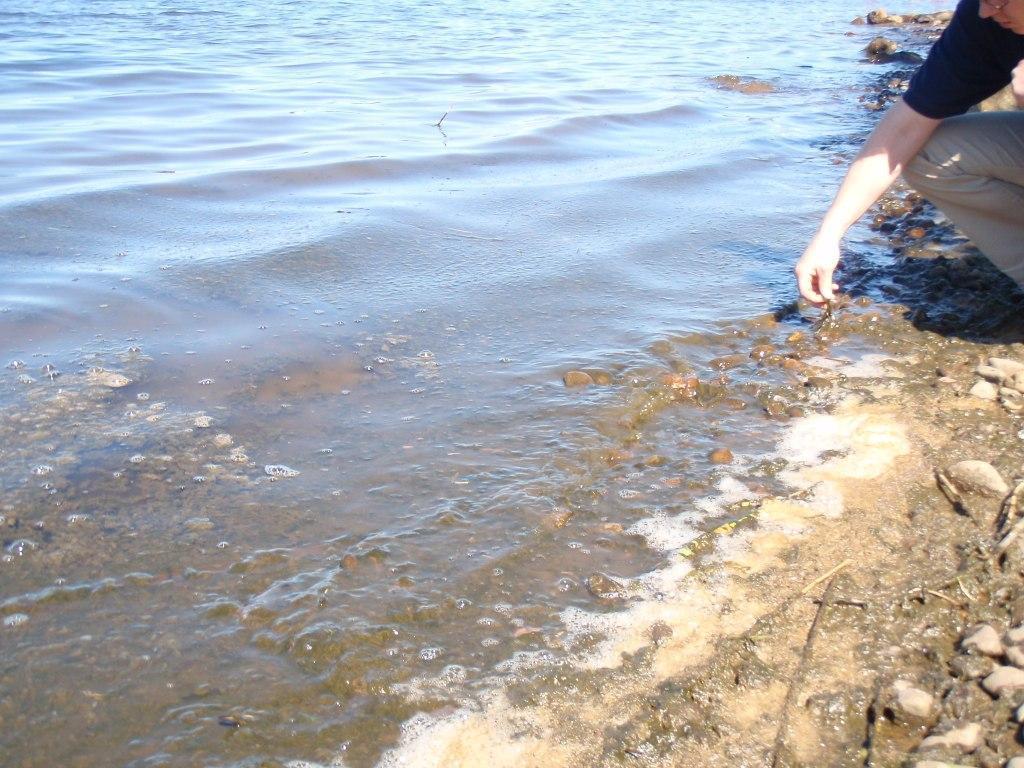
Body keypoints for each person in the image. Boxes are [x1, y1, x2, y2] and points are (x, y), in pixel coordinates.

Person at [795, 0, 1024, 305]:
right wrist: (828, 235)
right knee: (927, 152)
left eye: (997, 1)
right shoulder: (984, 21)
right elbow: (903, 130)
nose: (985, 11)